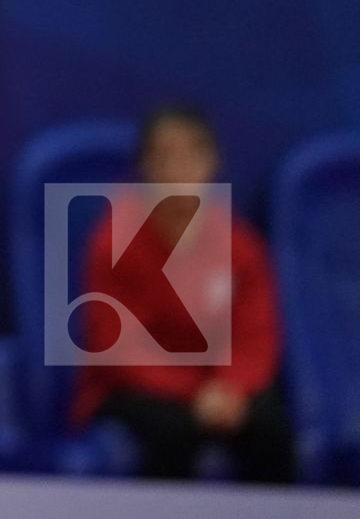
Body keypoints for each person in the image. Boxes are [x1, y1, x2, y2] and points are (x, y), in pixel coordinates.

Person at [70, 105, 297, 484]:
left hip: (218, 390)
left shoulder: (240, 246)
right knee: (171, 433)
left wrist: (231, 388)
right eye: (163, 158)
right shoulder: (113, 241)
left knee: (272, 428)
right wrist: (192, 393)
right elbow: (118, 346)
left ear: (212, 162)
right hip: (134, 389)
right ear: (145, 167)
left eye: (191, 156)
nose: (177, 171)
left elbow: (255, 337)